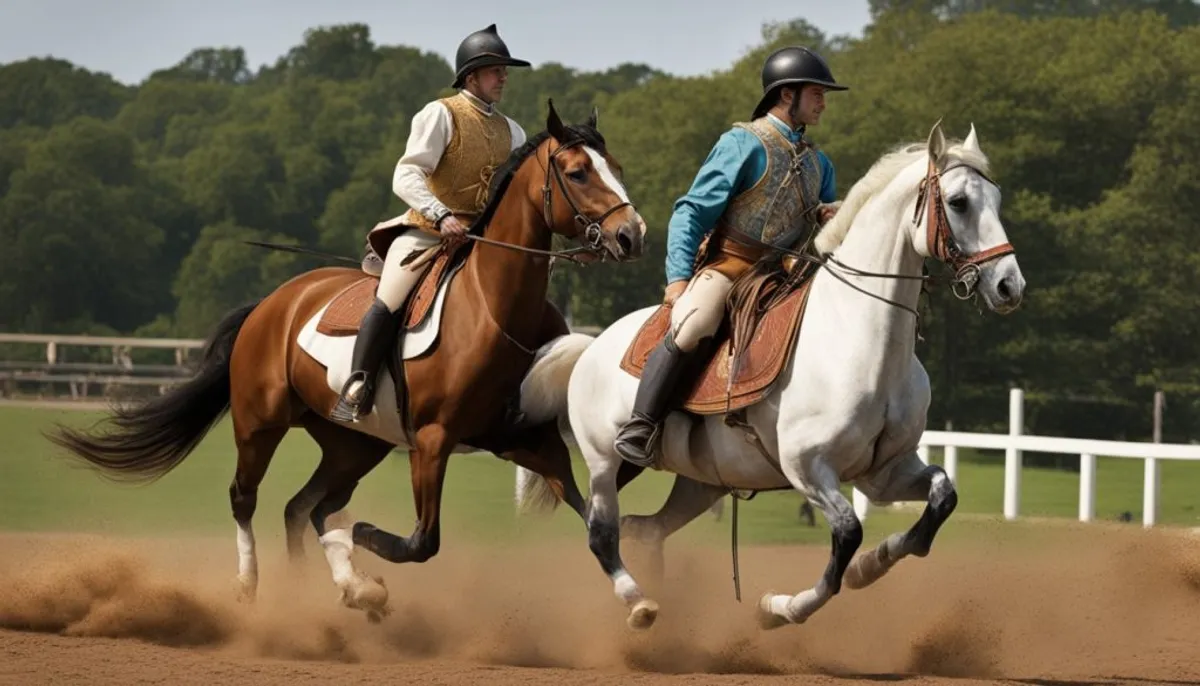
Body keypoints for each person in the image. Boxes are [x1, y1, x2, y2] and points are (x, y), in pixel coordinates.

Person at [612, 45, 848, 466]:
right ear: (786, 94)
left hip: (786, 273)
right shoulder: (743, 143)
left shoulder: (820, 163)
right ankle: (641, 424)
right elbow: (690, 212)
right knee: (695, 323)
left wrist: (832, 214)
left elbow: (825, 230)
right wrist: (678, 281)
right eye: (817, 93)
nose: (824, 103)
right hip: (730, 265)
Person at [330, 24, 531, 422]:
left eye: (505, 71)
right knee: (391, 298)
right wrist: (442, 215)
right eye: (496, 70)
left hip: (482, 242)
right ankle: (358, 384)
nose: (504, 77)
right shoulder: (441, 114)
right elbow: (406, 175)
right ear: (471, 76)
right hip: (427, 232)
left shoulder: (514, 131)